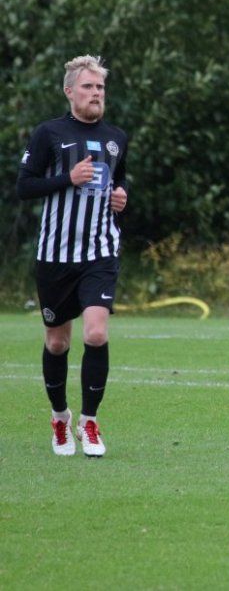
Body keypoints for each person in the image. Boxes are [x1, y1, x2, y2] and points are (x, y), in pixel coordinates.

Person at [16, 55, 129, 457]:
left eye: (100, 87)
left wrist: (122, 197)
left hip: (100, 251)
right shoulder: (49, 133)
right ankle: (60, 417)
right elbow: (24, 186)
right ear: (69, 91)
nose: (96, 93)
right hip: (56, 255)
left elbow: (118, 181)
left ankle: (89, 422)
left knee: (96, 333)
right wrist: (68, 178)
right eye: (88, 86)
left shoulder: (117, 137)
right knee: (58, 343)